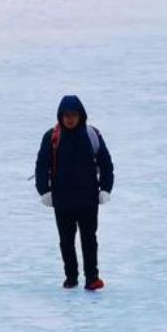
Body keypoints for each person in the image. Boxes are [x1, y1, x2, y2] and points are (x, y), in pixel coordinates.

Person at [35, 94, 114, 290]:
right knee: (66, 241)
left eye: (74, 115)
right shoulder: (51, 137)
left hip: (88, 199)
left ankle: (92, 277)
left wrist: (105, 188)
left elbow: (106, 163)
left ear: (81, 116)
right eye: (66, 115)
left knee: (89, 240)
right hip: (62, 201)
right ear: (60, 116)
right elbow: (41, 165)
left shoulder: (91, 135)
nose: (70, 119)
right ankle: (71, 277)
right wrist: (44, 191)